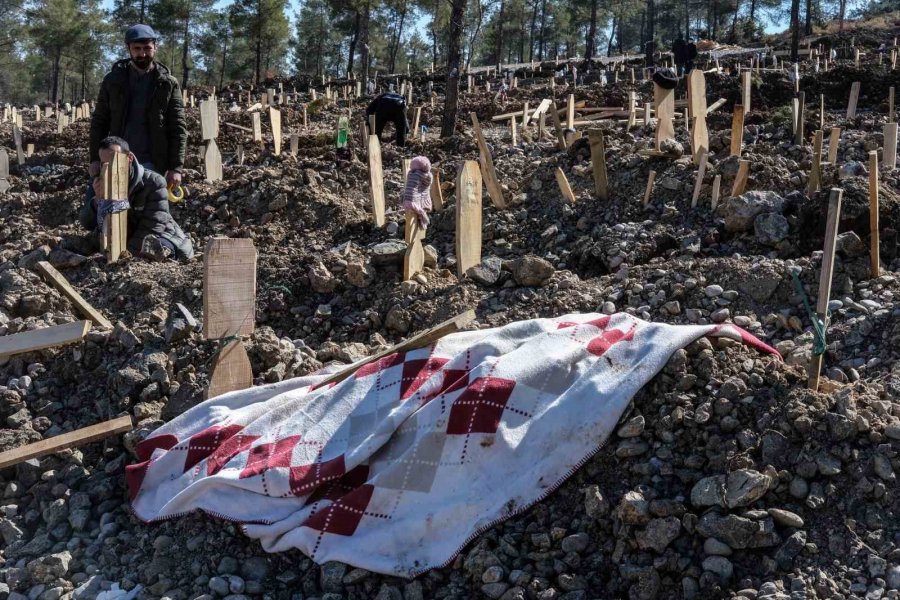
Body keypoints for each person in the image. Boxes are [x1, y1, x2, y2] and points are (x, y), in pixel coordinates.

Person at [89, 24, 186, 190]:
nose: (142, 54)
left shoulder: (168, 84)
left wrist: (175, 168)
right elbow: (100, 122)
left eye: (147, 48)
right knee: (98, 211)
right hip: (116, 159)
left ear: (155, 47)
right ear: (128, 49)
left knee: (153, 213)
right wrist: (95, 159)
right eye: (137, 49)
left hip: (154, 162)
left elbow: (178, 128)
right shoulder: (113, 81)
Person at [80, 136, 194, 260]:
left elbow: (153, 226)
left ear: (129, 158)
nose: (110, 169)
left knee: (154, 249)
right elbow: (87, 223)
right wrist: (98, 201)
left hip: (159, 236)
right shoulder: (100, 180)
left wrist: (125, 256)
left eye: (114, 161)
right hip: (122, 238)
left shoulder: (154, 183)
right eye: (105, 164)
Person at [401, 156, 433, 228]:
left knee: (413, 223)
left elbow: (411, 189)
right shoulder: (429, 175)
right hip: (424, 201)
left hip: (412, 202)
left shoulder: (414, 175)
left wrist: (408, 199)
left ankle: (421, 215)